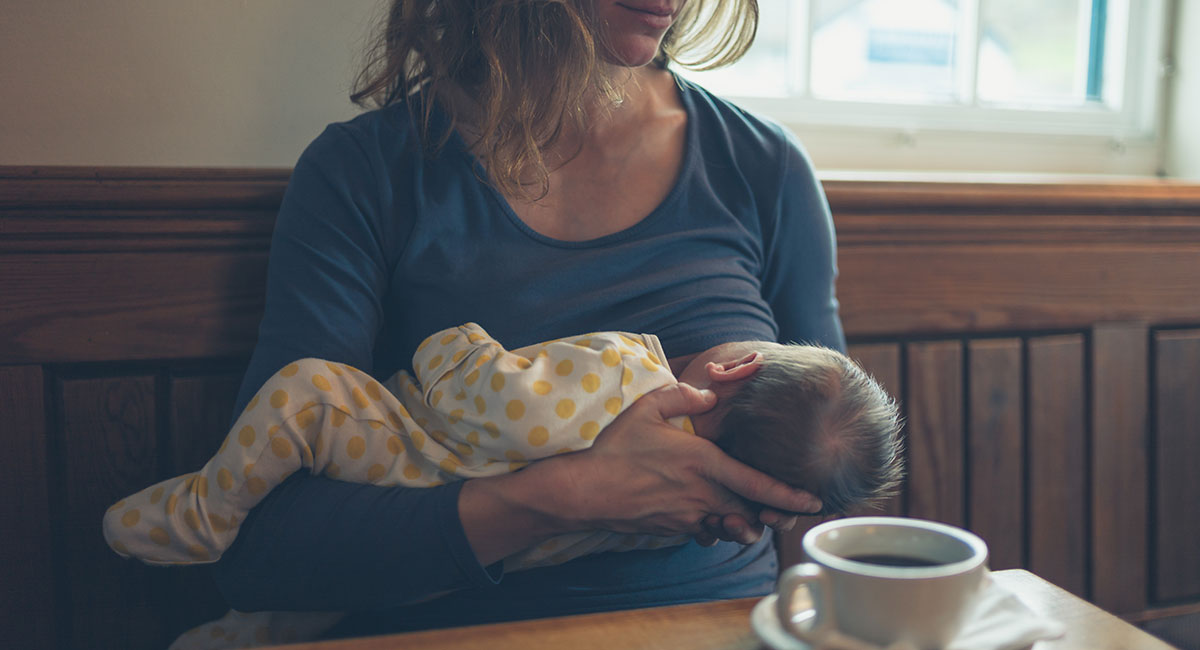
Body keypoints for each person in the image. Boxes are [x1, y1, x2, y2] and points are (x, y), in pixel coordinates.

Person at [207, 0, 846, 641]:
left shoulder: (763, 167)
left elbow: (827, 477)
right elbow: (263, 551)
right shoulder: (366, 173)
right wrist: (573, 496)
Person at [105, 322, 900, 648]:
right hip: (441, 574)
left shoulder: (629, 368)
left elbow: (481, 395)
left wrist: (456, 343)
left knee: (305, 393)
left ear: (732, 366)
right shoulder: (680, 514)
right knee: (299, 612)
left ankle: (203, 511)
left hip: (395, 456)